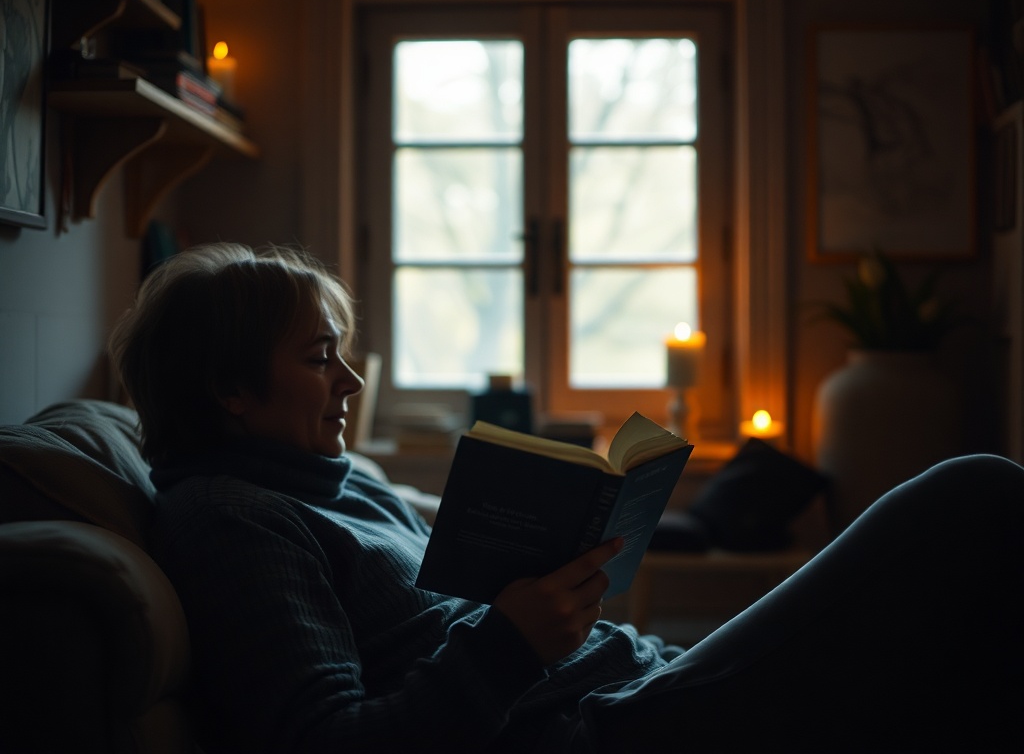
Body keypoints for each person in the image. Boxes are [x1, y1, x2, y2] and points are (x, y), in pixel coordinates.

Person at [109, 242, 1024, 753]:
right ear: (228, 388)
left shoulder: (344, 482)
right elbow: (328, 744)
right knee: (972, 498)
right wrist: (510, 643)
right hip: (607, 729)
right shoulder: (234, 518)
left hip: (636, 677)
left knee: (944, 635)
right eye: (319, 359)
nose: (350, 382)